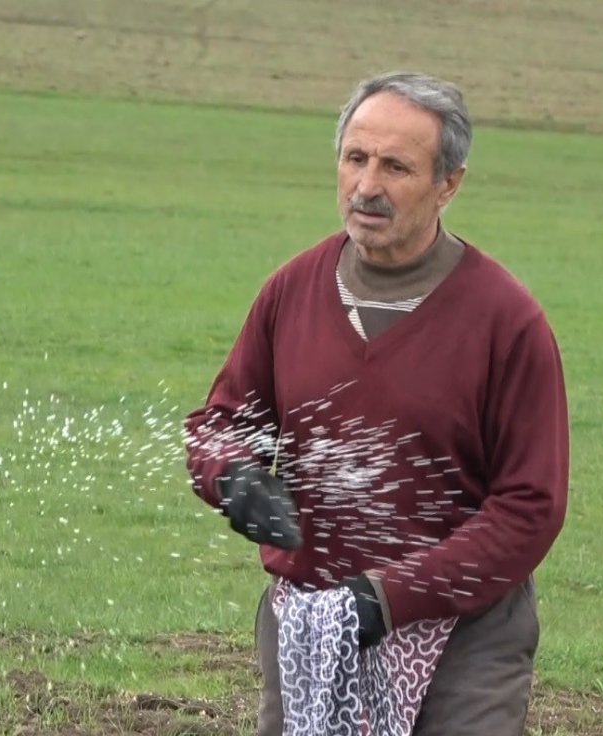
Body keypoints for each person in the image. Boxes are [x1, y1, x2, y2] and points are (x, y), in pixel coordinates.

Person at [182, 71, 570, 736]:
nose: (367, 186)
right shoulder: (291, 291)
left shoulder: (505, 321)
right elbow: (218, 425)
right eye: (355, 158)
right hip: (309, 621)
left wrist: (390, 597)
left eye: (397, 167)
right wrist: (233, 475)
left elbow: (530, 507)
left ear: (449, 184)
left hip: (461, 636)